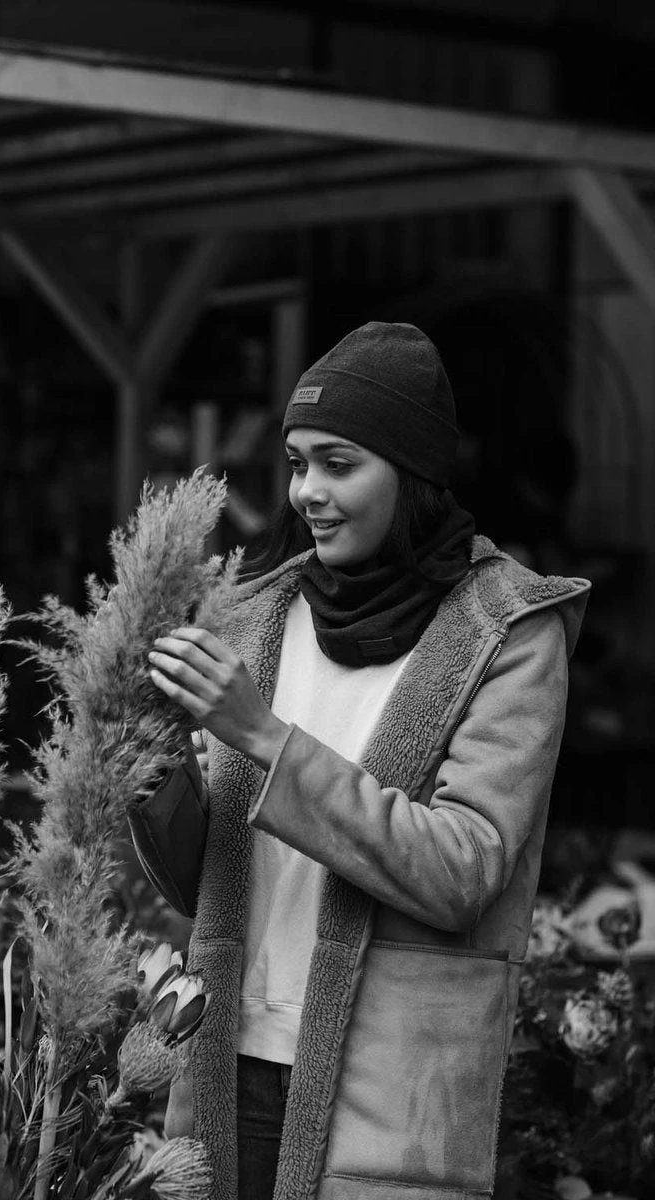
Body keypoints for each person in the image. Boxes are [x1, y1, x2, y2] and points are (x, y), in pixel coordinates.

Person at [130, 322, 591, 1200]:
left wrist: (263, 738)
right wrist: (150, 773)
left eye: (340, 464)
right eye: (298, 463)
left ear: (412, 473)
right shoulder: (259, 614)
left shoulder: (508, 634)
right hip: (225, 1057)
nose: (308, 491)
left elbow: (464, 868)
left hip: (389, 1086)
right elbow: (212, 883)